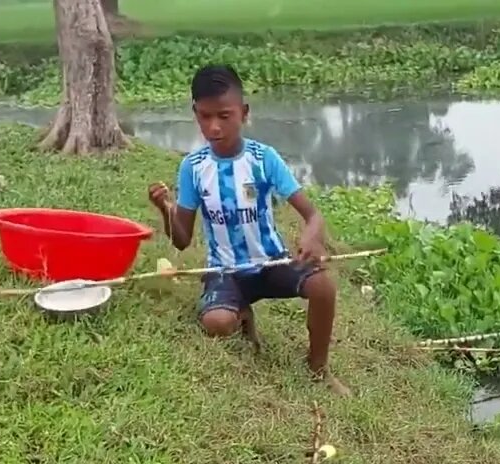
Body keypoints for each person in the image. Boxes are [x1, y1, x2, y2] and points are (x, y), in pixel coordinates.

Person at [148, 64, 349, 397]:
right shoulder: (193, 168)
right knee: (216, 324)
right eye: (204, 116)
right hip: (225, 271)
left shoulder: (263, 158)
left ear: (244, 112)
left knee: (323, 286)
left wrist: (312, 236)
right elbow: (182, 240)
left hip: (272, 264)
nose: (214, 127)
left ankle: (318, 368)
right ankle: (240, 314)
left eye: (224, 116)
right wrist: (166, 209)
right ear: (195, 113)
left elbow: (313, 215)